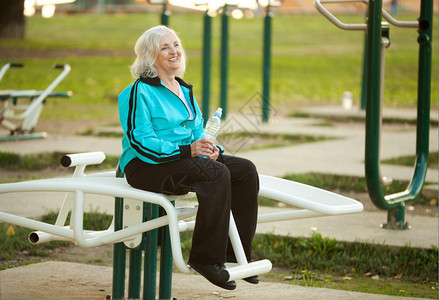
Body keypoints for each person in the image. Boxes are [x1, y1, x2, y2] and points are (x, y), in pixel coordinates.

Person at [118, 25, 259, 290]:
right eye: (164, 47)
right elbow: (140, 140)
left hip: (182, 160)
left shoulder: (183, 89)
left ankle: (233, 257)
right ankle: (206, 259)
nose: (174, 51)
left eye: (176, 45)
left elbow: (198, 131)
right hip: (146, 165)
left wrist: (211, 150)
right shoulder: (139, 91)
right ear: (150, 57)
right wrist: (188, 151)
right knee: (215, 174)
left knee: (245, 170)